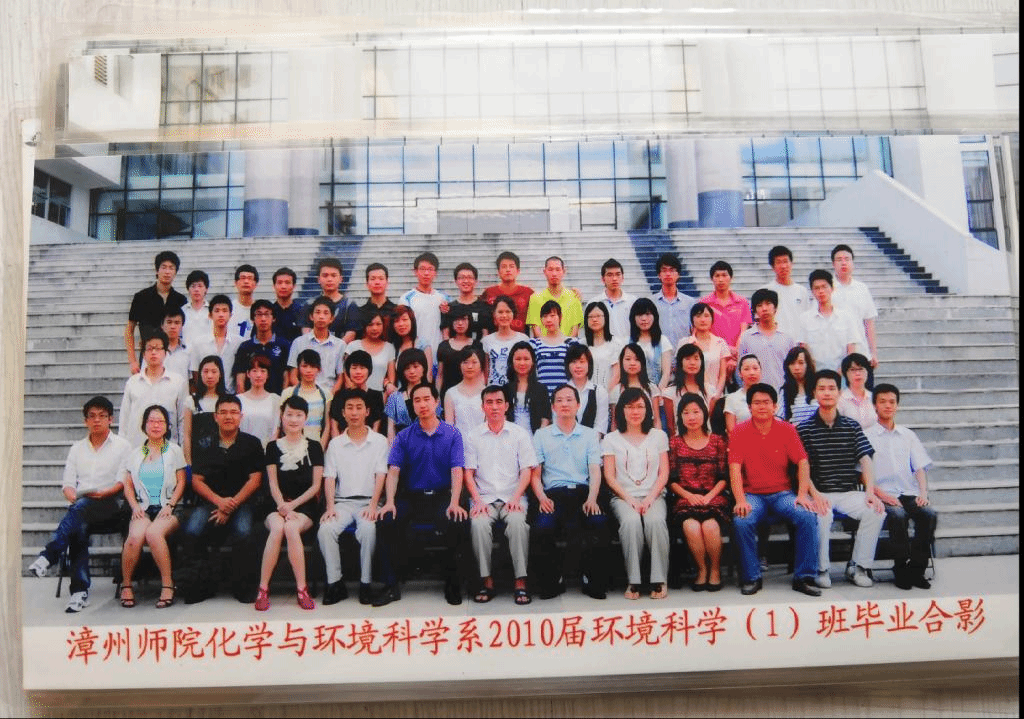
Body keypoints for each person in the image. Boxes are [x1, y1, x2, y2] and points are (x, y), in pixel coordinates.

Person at [28, 397, 131, 613]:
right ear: (85, 421)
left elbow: (122, 482)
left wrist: (101, 494)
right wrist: (73, 496)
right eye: (92, 416)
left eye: (102, 416)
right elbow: (68, 484)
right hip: (83, 507)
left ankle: (49, 556)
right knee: (78, 524)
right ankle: (79, 592)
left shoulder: (122, 446)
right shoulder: (77, 449)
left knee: (79, 511)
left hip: (112, 505)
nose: (97, 420)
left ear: (111, 419)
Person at [373, 383, 469, 607]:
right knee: (386, 520)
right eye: (417, 400)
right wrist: (389, 502)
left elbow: (457, 470)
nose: (422, 404)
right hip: (412, 496)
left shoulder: (452, 434)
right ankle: (390, 586)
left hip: (442, 495)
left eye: (427, 399)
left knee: (457, 520)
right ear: (413, 405)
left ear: (436, 402)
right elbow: (394, 471)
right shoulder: (404, 436)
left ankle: (453, 583)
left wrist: (454, 502)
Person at [728, 383, 822, 597]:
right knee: (742, 521)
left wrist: (802, 495)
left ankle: (804, 577)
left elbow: (803, 462)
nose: (762, 406)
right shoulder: (740, 431)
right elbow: (734, 469)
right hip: (753, 495)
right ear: (749, 407)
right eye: (757, 403)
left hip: (783, 494)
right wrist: (740, 500)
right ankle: (752, 577)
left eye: (766, 402)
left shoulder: (787, 429)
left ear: (775, 406)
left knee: (807, 515)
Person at [797, 369, 885, 589]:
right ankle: (822, 569)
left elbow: (865, 459)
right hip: (819, 492)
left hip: (847, 492)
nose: (827, 393)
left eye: (832, 388)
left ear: (839, 393)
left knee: (876, 510)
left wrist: (870, 492)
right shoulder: (804, 429)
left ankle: (858, 567)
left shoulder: (851, 426)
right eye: (822, 389)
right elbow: (801, 468)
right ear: (814, 393)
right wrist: (815, 495)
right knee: (822, 516)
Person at [180, 395, 266, 603]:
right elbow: (197, 481)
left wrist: (230, 505)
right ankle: (201, 586)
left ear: (241, 416)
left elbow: (255, 480)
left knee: (244, 532)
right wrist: (220, 502)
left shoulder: (252, 443)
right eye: (224, 412)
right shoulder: (204, 444)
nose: (229, 417)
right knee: (191, 530)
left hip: (242, 502)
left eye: (234, 412)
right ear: (215, 416)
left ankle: (243, 588)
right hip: (211, 501)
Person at [531, 384, 610, 600]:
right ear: (553, 407)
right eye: (559, 400)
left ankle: (591, 579)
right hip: (553, 494)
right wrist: (542, 498)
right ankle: (552, 579)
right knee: (542, 527)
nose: (564, 404)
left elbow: (595, 471)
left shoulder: (589, 435)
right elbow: (535, 475)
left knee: (599, 523)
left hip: (584, 493)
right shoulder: (541, 435)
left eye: (569, 400)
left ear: (578, 405)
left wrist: (592, 498)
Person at [463, 385, 539, 605]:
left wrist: (515, 497)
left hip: (513, 496)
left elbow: (527, 470)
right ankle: (486, 581)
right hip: (483, 498)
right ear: (482, 407)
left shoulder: (519, 433)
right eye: (489, 402)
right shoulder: (473, 436)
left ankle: (520, 582)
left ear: (507, 406)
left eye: (499, 402)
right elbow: (469, 473)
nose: (494, 407)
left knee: (517, 524)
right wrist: (477, 500)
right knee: (478, 525)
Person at [319, 388, 389, 605]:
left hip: (369, 502)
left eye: (359, 407)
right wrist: (330, 507)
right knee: (326, 529)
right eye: (350, 408)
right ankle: (335, 583)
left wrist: (374, 505)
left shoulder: (379, 441)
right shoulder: (335, 444)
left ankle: (365, 584)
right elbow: (329, 477)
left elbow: (381, 475)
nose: (354, 412)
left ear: (367, 411)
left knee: (368, 529)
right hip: (343, 503)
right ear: (343, 413)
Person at [255, 395, 324, 611]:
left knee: (292, 528)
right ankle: (263, 589)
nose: (293, 419)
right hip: (276, 505)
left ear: (306, 418)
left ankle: (302, 589)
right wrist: (282, 506)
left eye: (298, 415)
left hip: (304, 506)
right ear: (282, 416)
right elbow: (273, 483)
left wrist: (292, 507)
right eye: (289, 414)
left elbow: (316, 486)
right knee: (278, 527)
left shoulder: (315, 447)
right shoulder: (272, 447)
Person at [866, 383, 938, 590]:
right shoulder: (866, 435)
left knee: (929, 514)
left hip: (908, 492)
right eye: (882, 402)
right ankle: (900, 568)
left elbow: (920, 467)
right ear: (874, 405)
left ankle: (917, 570)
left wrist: (923, 493)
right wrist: (881, 495)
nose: (887, 406)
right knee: (898, 516)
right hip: (882, 494)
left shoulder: (908, 435)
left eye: (892, 402)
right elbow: (862, 474)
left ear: (897, 405)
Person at [602, 388, 671, 600]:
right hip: (623, 497)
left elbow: (664, 473)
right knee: (631, 523)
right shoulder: (611, 439)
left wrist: (650, 498)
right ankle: (634, 581)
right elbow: (610, 476)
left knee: (655, 522)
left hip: (654, 495)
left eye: (640, 406)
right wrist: (630, 499)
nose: (635, 411)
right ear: (621, 410)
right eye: (630, 407)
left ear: (648, 409)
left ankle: (659, 580)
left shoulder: (658, 436)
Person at [118, 405, 187, 609]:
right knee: (134, 537)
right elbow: (128, 485)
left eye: (160, 421)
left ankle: (167, 585)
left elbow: (182, 482)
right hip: (143, 507)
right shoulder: (136, 453)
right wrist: (134, 507)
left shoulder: (174, 450)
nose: (156, 425)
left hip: (170, 507)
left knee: (154, 534)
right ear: (144, 425)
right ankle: (126, 585)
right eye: (152, 421)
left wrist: (171, 504)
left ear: (167, 426)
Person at [668, 393, 730, 592]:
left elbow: (724, 477)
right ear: (680, 417)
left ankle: (715, 570)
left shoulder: (718, 441)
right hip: (685, 498)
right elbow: (671, 480)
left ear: (704, 414)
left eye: (696, 412)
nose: (692, 417)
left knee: (710, 526)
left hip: (714, 496)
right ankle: (701, 570)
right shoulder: (674, 443)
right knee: (691, 526)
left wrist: (709, 496)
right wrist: (689, 496)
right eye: (686, 413)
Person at [118, 329, 188, 448]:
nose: (154, 352)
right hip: (137, 449)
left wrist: (182, 451)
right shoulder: (133, 382)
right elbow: (124, 420)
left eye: (158, 348)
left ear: (165, 352)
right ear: (143, 353)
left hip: (167, 450)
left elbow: (182, 421)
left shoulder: (178, 382)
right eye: (149, 349)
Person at [125, 250, 187, 375]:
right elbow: (129, 330)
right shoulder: (141, 297)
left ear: (175, 272)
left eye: (171, 268)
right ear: (157, 270)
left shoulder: (181, 300)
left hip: (174, 356)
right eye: (164, 267)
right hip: (149, 355)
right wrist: (133, 361)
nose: (167, 271)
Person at [698, 260, 751, 377]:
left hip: (737, 358)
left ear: (731, 278)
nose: (721, 279)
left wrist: (734, 357)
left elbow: (744, 332)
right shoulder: (704, 303)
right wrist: (725, 351)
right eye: (717, 276)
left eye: (724, 275)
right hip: (713, 358)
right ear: (712, 279)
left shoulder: (742, 302)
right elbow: (703, 333)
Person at [798, 269, 858, 372]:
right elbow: (804, 347)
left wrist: (841, 372)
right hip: (814, 374)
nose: (821, 291)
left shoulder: (846, 317)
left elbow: (851, 348)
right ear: (812, 292)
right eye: (816, 288)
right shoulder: (805, 318)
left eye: (824, 287)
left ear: (832, 288)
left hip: (842, 374)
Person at [830, 244, 879, 369]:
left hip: (861, 353)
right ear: (833, 264)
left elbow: (869, 322)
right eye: (839, 260)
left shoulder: (862, 289)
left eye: (847, 259)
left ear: (852, 263)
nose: (843, 263)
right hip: (834, 355)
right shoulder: (827, 289)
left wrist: (873, 353)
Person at [737, 288, 795, 392]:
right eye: (759, 305)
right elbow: (741, 368)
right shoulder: (747, 337)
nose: (764, 309)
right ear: (755, 310)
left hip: (784, 393)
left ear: (775, 307)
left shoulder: (787, 337)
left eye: (768, 304)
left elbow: (793, 366)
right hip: (756, 394)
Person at [287, 296, 346, 391]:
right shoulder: (299, 342)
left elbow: (340, 378)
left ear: (332, 318)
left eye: (326, 313)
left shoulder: (340, 345)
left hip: (329, 394)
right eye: (317, 312)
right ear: (311, 316)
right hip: (304, 394)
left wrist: (329, 396)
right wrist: (305, 393)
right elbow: (293, 376)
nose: (321, 316)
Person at [233, 299, 290, 394]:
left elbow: (286, 377)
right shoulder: (245, 347)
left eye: (267, 314)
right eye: (259, 314)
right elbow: (240, 380)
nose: (263, 319)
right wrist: (243, 400)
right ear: (253, 319)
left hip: (277, 399)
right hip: (250, 399)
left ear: (273, 318)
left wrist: (283, 399)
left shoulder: (284, 345)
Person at [189, 294, 244, 393]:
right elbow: (195, 372)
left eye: (225, 311)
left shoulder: (239, 342)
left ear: (230, 315)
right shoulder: (198, 343)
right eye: (217, 311)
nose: (221, 314)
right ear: (210, 315)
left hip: (230, 396)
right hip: (206, 395)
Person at [398, 251, 450, 355]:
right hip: (415, 355)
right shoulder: (406, 299)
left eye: (430, 269)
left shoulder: (443, 298)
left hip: (438, 353)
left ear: (435, 273)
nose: (426, 273)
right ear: (415, 271)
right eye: (422, 269)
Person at [281, 349, 332, 451]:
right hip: (291, 448)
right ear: (298, 368)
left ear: (319, 369)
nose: (308, 370)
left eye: (313, 366)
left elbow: (327, 425)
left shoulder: (326, 394)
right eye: (304, 366)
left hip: (317, 447)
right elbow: (283, 423)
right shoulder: (288, 393)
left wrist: (319, 449)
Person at [678, 302, 730, 400]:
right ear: (692, 319)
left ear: (712, 319)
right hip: (688, 395)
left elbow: (723, 375)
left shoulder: (720, 343)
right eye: (698, 316)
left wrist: (716, 395)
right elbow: (679, 371)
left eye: (706, 316)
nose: (702, 320)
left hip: (715, 395)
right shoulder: (684, 342)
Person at [384, 348, 437, 441]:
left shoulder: (431, 393)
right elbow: (390, 429)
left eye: (416, 367)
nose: (412, 371)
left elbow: (438, 423)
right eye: (407, 368)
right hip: (403, 445)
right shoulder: (394, 397)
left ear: (424, 368)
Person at [182, 355, 226, 464]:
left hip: (223, 458)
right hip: (198, 459)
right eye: (205, 371)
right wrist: (188, 463)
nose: (209, 376)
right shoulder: (191, 401)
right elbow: (187, 435)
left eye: (214, 371)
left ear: (220, 374)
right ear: (200, 374)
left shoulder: (227, 401)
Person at [329, 351, 385, 436]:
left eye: (362, 368)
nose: (358, 372)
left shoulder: (376, 396)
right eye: (354, 368)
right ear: (348, 371)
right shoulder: (339, 396)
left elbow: (376, 427)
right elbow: (334, 428)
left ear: (369, 371)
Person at [340, 307, 395, 394]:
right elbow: (346, 374)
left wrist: (385, 395)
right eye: (370, 324)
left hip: (379, 397)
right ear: (364, 326)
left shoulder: (389, 348)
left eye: (378, 324)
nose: (374, 328)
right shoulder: (353, 346)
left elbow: (391, 378)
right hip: (355, 396)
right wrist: (353, 393)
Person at [526, 256, 583, 338]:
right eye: (550, 269)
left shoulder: (574, 297)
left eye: (558, 269)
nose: (554, 274)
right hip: (543, 345)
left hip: (568, 345)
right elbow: (536, 330)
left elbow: (575, 330)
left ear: (563, 271)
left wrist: (564, 344)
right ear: (544, 272)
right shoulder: (535, 298)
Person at [609, 343, 662, 432]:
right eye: (628, 359)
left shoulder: (651, 388)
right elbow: (615, 423)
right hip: (624, 436)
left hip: (648, 435)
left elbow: (656, 420)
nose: (632, 363)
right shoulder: (616, 390)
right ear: (621, 361)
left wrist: (658, 438)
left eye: (637, 359)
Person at [503, 341, 552, 434]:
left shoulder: (541, 389)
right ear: (511, 361)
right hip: (511, 437)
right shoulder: (505, 389)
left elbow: (546, 417)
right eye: (518, 359)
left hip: (535, 437)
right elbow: (503, 416)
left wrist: (539, 436)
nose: (522, 363)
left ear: (532, 362)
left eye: (526, 359)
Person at [480, 251, 533, 335]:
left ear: (518, 271)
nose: (508, 270)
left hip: (520, 340)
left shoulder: (528, 293)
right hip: (495, 339)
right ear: (498, 271)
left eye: (511, 266)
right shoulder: (489, 293)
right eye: (504, 267)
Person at [530, 300, 578, 393]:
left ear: (560, 317)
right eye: (545, 316)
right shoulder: (534, 344)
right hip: (542, 395)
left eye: (552, 316)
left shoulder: (571, 343)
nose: (548, 320)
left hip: (565, 395)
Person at [310, 258, 361, 344]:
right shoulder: (310, 304)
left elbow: (351, 334)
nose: (329, 279)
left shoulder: (349, 305)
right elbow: (306, 331)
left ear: (341, 279)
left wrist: (334, 348)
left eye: (333, 275)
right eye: (325, 275)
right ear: (318, 279)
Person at [481, 295, 529, 386]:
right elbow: (485, 372)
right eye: (500, 312)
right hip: (494, 390)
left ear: (513, 313)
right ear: (494, 314)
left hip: (517, 389)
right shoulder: (486, 341)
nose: (504, 315)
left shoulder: (523, 339)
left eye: (508, 311)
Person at [628, 297, 673, 391]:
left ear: (654, 316)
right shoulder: (627, 342)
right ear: (633, 318)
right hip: (633, 393)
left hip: (658, 393)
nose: (644, 319)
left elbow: (666, 373)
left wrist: (656, 393)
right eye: (639, 315)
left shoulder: (663, 341)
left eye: (648, 314)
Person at [766, 245, 811, 338]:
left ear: (791, 264)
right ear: (772, 267)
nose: (783, 266)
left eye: (786, 261)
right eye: (778, 262)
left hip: (798, 342)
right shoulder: (766, 291)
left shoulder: (802, 291)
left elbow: (807, 320)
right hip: (775, 341)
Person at [653, 252, 696, 348]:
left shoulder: (690, 303)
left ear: (678, 274)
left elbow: (694, 330)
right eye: (664, 270)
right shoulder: (651, 302)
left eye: (672, 270)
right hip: (659, 353)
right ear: (659, 275)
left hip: (684, 353)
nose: (668, 274)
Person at [565, 343, 610, 436]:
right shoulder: (561, 392)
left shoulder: (600, 392)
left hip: (594, 443)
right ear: (568, 365)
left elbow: (600, 427)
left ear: (589, 364)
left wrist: (586, 444)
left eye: (582, 362)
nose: (578, 366)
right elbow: (559, 425)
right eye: (574, 362)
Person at [443, 345, 487, 437]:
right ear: (460, 365)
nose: (469, 366)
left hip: (482, 443)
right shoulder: (451, 393)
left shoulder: (487, 393)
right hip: (458, 443)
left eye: (474, 362)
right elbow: (449, 427)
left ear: (481, 365)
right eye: (465, 362)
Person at [238, 354, 282, 446]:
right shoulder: (239, 399)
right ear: (248, 374)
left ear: (268, 375)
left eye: (263, 371)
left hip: (267, 449)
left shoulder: (275, 399)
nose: (258, 375)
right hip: (243, 448)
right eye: (254, 371)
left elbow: (277, 429)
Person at [435, 305, 477, 398]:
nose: (460, 323)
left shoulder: (477, 345)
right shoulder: (443, 346)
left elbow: (480, 375)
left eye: (464, 319)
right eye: (456, 319)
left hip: (470, 395)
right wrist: (437, 397)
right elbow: (440, 375)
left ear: (469, 321)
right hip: (447, 395)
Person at [588, 258, 637, 339]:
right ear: (603, 279)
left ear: (623, 278)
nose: (614, 279)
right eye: (610, 275)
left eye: (618, 274)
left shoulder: (633, 302)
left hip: (628, 346)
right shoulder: (594, 303)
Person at [444, 261, 493, 338]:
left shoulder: (485, 307)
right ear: (455, 281)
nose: (466, 281)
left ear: (476, 281)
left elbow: (486, 336)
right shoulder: (449, 309)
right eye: (462, 278)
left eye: (469, 277)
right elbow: (446, 336)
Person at [388, 304, 434, 383]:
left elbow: (428, 376)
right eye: (397, 321)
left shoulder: (423, 345)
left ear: (412, 321)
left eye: (405, 319)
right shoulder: (391, 347)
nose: (401, 324)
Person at [582, 301, 621, 392]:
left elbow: (617, 375)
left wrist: (604, 394)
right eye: (591, 317)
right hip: (586, 393)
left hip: (609, 393)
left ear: (605, 318)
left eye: (598, 316)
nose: (594, 319)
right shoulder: (582, 344)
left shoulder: (615, 343)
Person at [777, 346, 819, 425]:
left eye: (801, 363)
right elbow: (779, 419)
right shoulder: (784, 392)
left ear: (808, 364)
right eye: (792, 363)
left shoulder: (818, 387)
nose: (796, 367)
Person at [724, 354, 763, 434]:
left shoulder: (768, 396)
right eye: (746, 369)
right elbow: (731, 431)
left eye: (755, 368)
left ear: (761, 371)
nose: (752, 373)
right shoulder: (732, 399)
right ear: (739, 373)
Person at [838, 352, 877, 429]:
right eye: (852, 370)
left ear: (867, 372)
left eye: (861, 369)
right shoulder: (840, 400)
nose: (857, 373)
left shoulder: (874, 398)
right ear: (846, 374)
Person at [270, 267, 306, 344]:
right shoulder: (268, 313)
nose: (283, 286)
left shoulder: (303, 312)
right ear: (274, 286)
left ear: (294, 286)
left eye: (287, 283)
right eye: (279, 283)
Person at [360, 262, 398, 328]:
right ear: (367, 284)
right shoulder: (359, 313)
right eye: (373, 279)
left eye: (381, 278)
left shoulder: (396, 311)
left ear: (387, 283)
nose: (377, 282)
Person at [181, 269, 212, 349]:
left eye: (200, 286)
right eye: (193, 286)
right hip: (186, 353)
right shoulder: (182, 311)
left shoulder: (212, 311)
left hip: (208, 353)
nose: (196, 290)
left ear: (206, 289)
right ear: (188, 289)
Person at [161, 307, 191, 383]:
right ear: (162, 325)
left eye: (177, 323)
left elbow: (192, 380)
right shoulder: (153, 350)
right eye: (169, 322)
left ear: (182, 326)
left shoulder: (188, 350)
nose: (173, 327)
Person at [229, 264, 259, 340]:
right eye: (243, 278)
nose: (246, 281)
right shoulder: (228, 309)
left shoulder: (260, 310)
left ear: (256, 284)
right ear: (236, 283)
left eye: (250, 278)